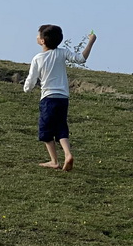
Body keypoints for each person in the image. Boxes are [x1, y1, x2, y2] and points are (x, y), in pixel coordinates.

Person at [23, 25, 97, 171]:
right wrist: (91, 41)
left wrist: (26, 88)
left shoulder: (38, 58)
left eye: (38, 36)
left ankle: (54, 161)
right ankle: (68, 154)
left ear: (43, 41)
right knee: (61, 127)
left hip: (48, 99)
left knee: (46, 131)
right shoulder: (62, 53)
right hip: (63, 98)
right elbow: (81, 59)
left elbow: (32, 79)